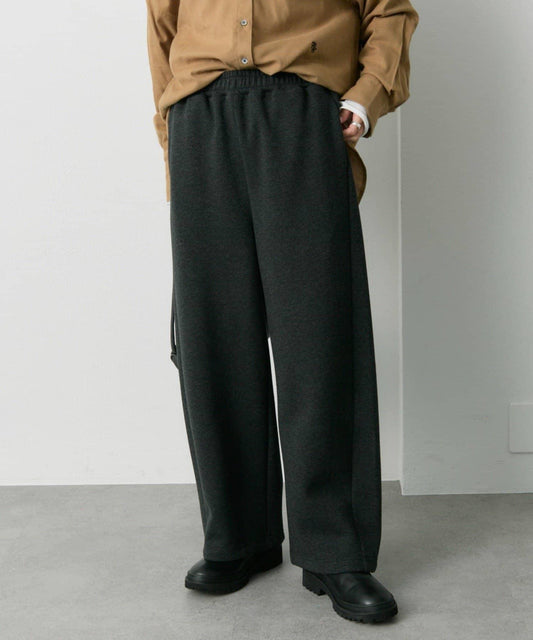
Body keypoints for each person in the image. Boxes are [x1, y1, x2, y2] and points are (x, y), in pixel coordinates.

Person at [145, 0, 419, 624]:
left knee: (319, 341)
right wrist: (173, 146)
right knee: (215, 342)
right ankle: (239, 535)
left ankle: (335, 551)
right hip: (198, 118)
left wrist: (364, 98)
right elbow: (161, 31)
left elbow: (390, 13)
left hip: (303, 110)